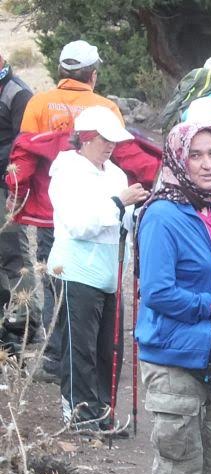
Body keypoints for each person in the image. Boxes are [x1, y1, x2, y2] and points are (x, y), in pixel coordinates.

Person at [134, 120, 211, 474]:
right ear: (177, 159)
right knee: (180, 453)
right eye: (196, 155)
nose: (208, 164)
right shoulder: (161, 215)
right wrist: (210, 307)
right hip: (171, 353)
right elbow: (156, 291)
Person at [19, 39, 124, 382]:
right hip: (95, 213)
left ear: (60, 71)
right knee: (91, 284)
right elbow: (118, 157)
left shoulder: (38, 103)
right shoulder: (106, 108)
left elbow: (24, 154)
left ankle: (54, 357)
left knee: (54, 278)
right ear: (93, 75)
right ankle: (90, 355)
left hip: (48, 210)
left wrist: (16, 196)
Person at [46, 106, 146, 431]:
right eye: (105, 139)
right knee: (80, 348)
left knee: (108, 348)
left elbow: (122, 224)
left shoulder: (115, 174)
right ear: (86, 138)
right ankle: (79, 413)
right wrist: (118, 204)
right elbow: (78, 224)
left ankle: (103, 410)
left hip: (109, 272)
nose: (111, 146)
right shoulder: (67, 172)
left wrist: (136, 211)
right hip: (74, 269)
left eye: (114, 140)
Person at [0, 50, 34, 343]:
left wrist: (15, 189)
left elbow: (22, 147)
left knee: (13, 254)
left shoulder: (18, 93)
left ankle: (26, 321)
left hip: (7, 186)